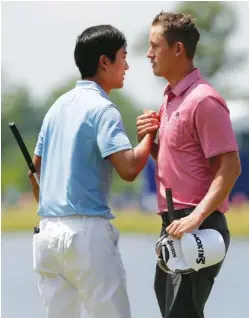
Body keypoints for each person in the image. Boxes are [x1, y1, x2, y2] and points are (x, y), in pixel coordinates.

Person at [28, 25, 157, 318]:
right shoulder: (103, 109)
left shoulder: (56, 107)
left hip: (47, 234)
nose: (127, 65)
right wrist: (149, 135)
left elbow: (34, 173)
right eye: (123, 57)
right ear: (104, 62)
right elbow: (128, 168)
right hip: (86, 235)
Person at [136, 12, 241, 318]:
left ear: (178, 49)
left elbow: (231, 167)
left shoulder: (204, 100)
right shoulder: (169, 100)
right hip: (174, 224)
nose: (148, 53)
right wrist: (151, 140)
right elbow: (178, 162)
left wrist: (196, 218)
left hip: (199, 226)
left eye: (155, 45)